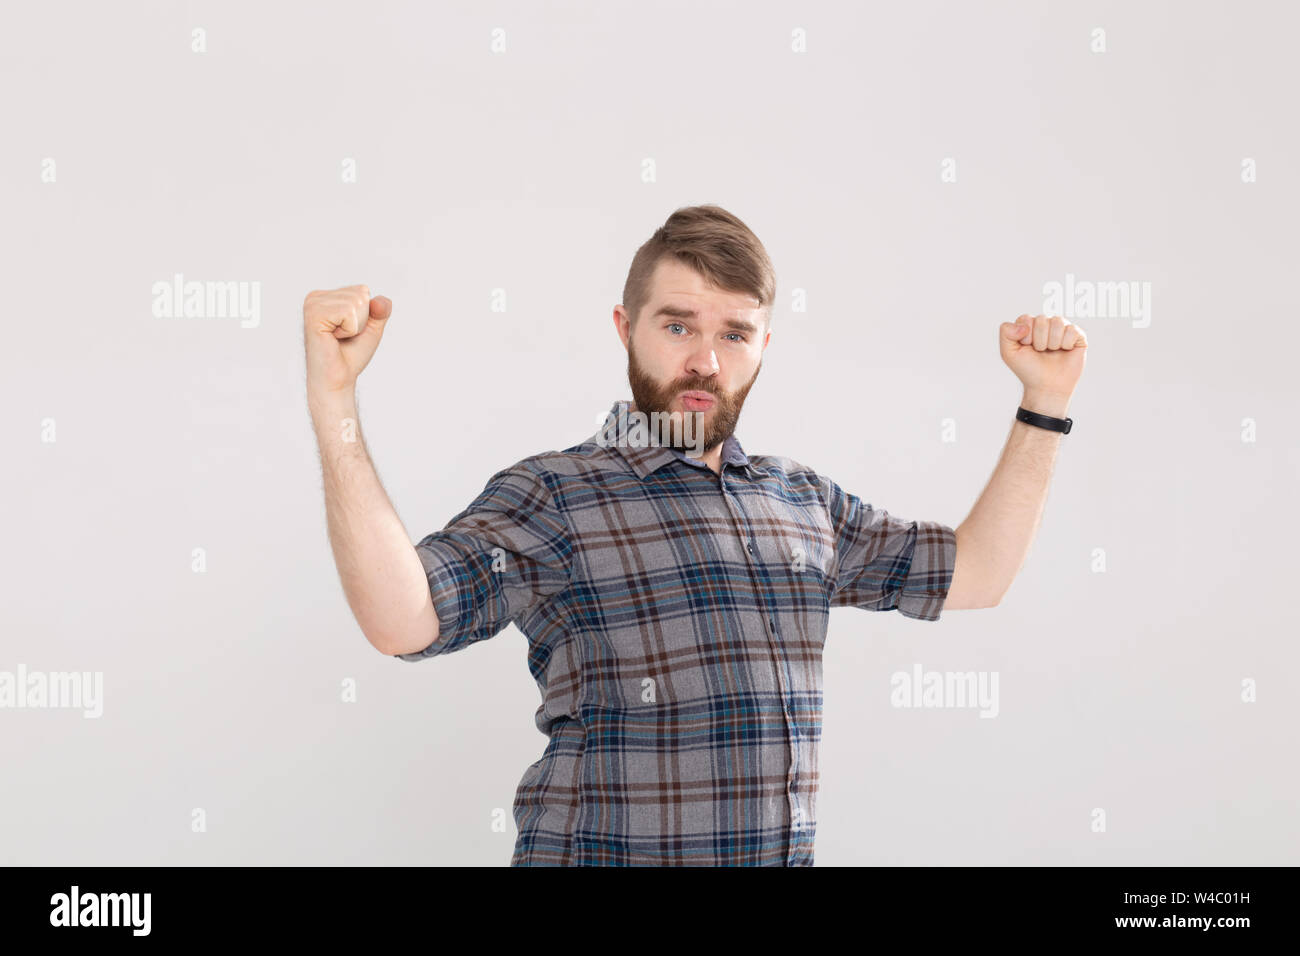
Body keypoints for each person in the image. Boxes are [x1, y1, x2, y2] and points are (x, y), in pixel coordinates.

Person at [303, 204, 1088, 866]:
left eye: (735, 335)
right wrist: (335, 400)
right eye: (677, 325)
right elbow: (400, 619)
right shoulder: (554, 494)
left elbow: (976, 573)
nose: (704, 361)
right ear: (626, 327)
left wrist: (1045, 404)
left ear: (763, 350)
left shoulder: (803, 501)